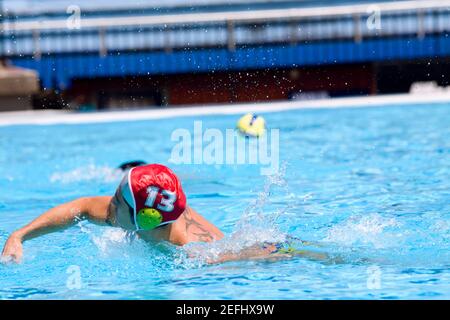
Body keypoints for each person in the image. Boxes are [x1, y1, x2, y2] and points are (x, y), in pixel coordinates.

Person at [2, 163, 304, 264]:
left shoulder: (193, 250)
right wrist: (19, 236)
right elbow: (78, 207)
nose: (110, 204)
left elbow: (260, 252)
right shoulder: (125, 214)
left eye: (119, 200)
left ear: (143, 219)